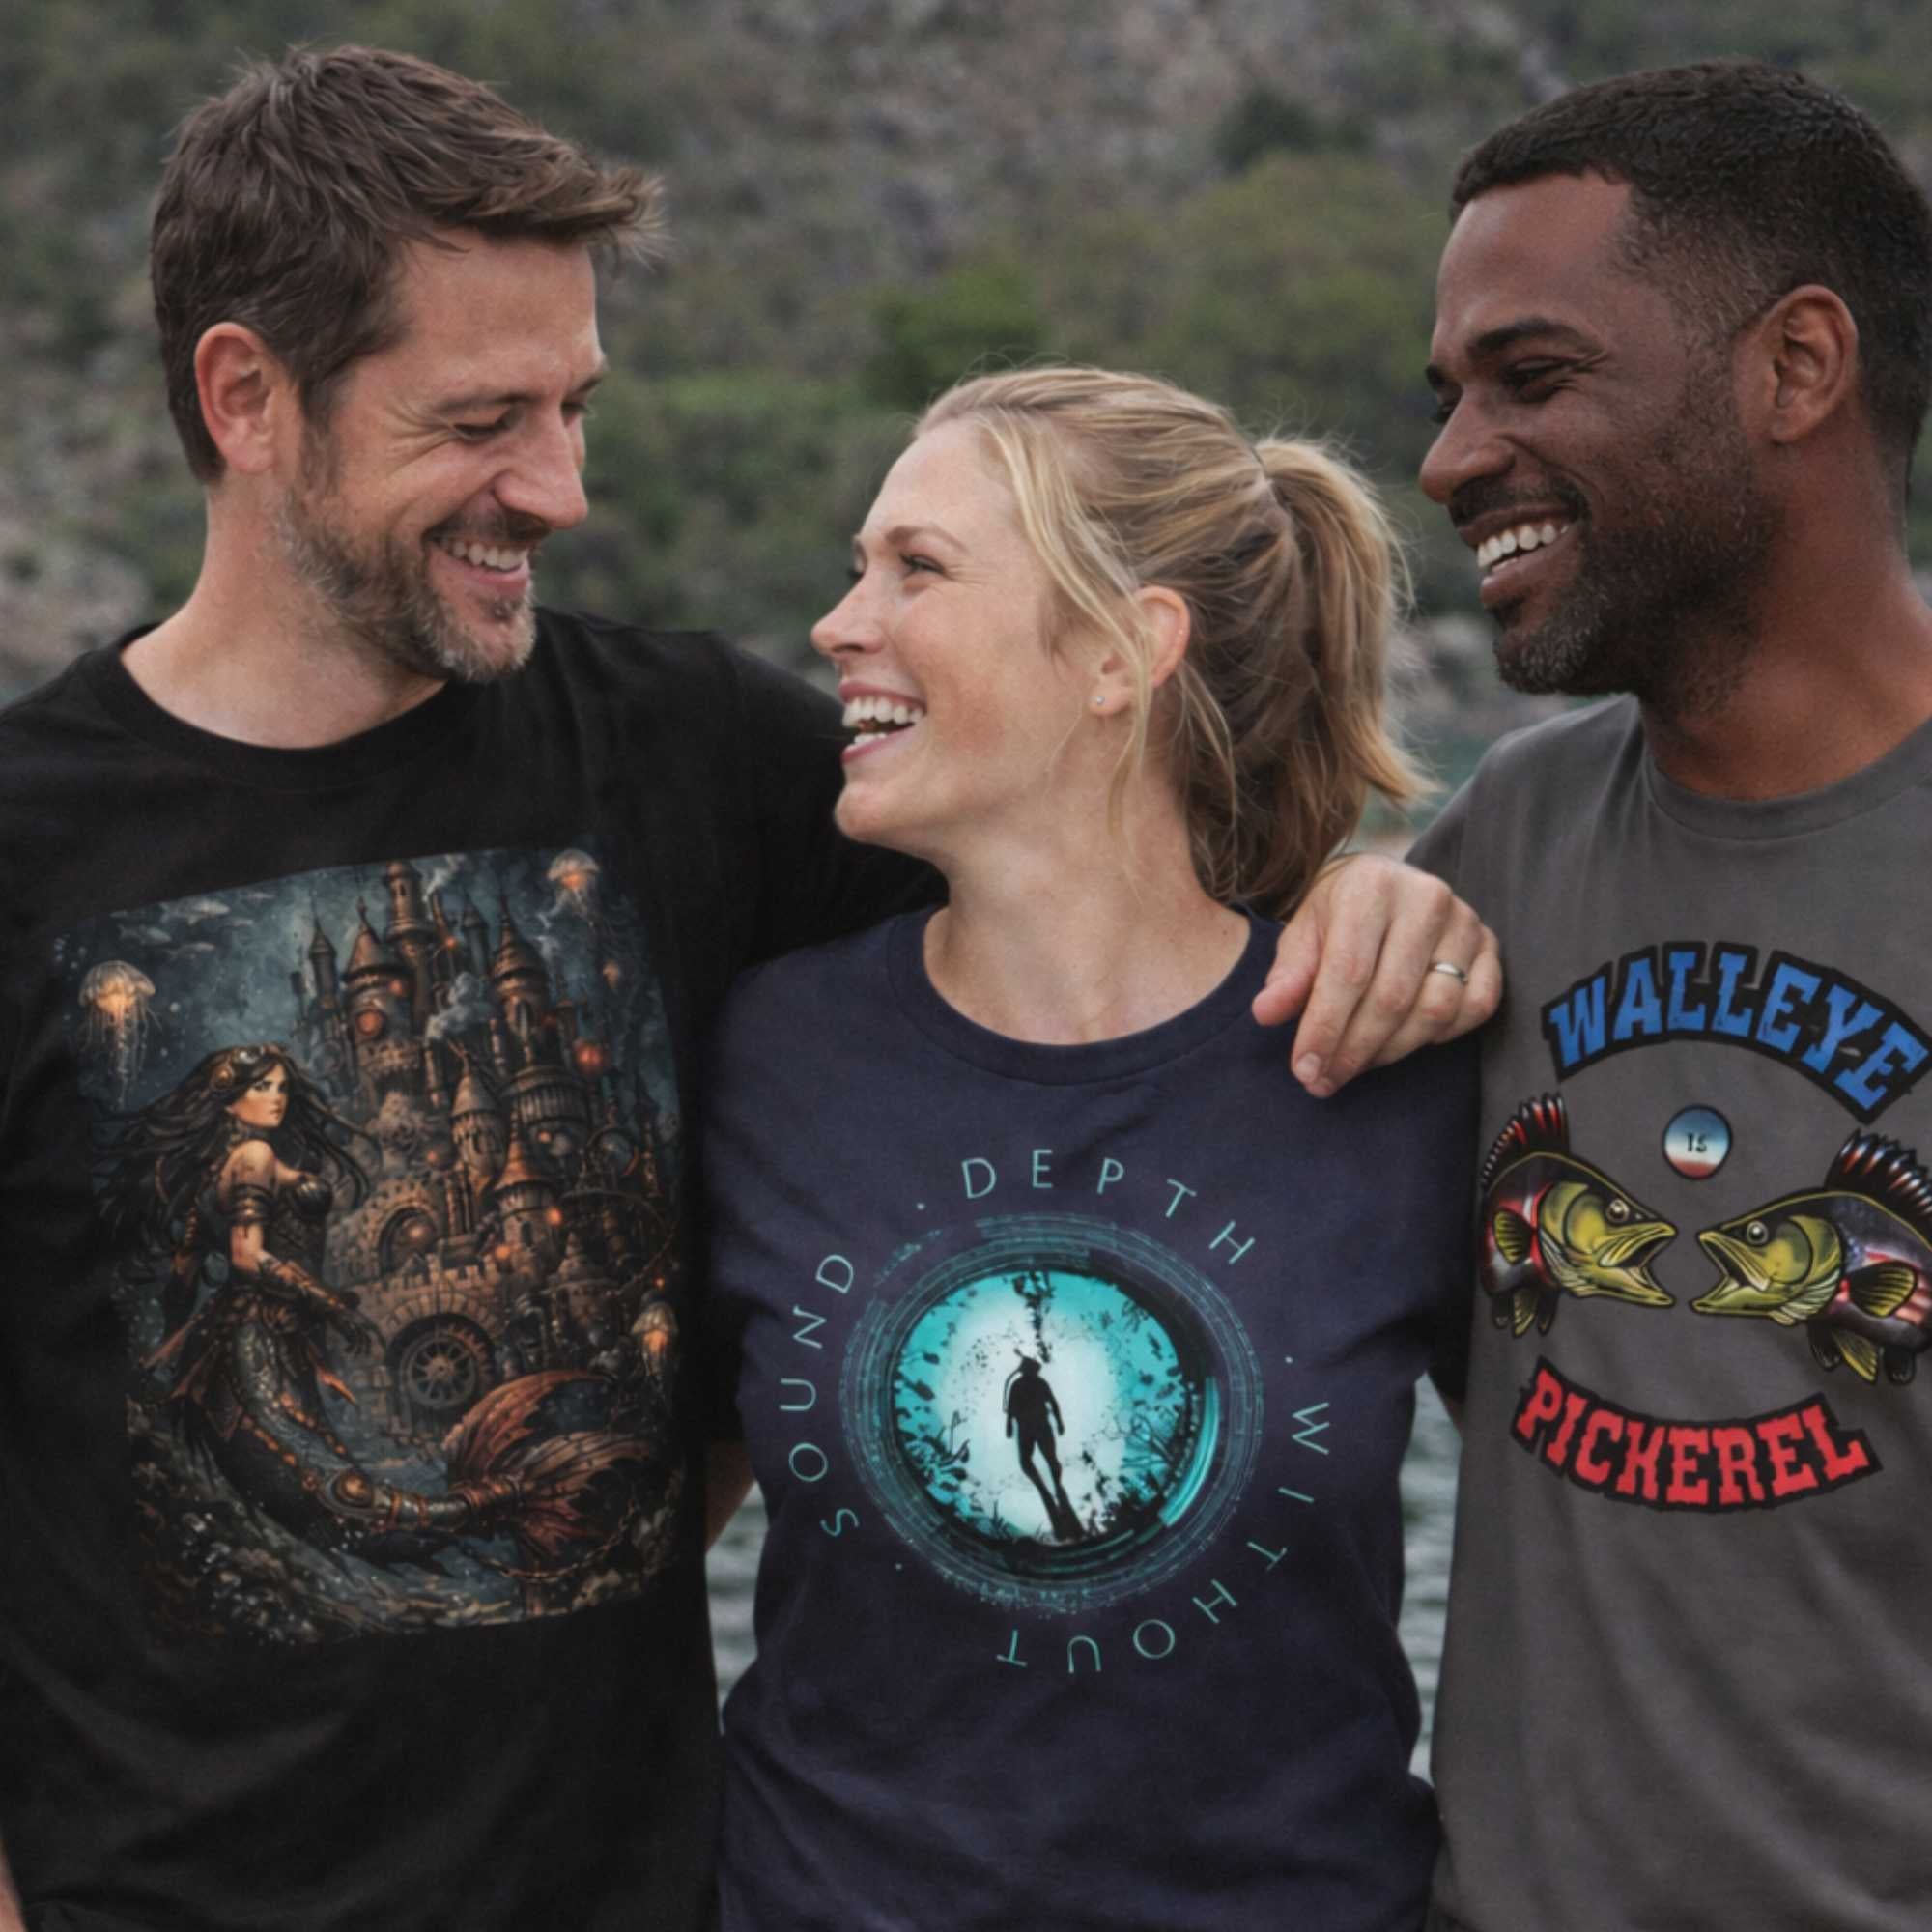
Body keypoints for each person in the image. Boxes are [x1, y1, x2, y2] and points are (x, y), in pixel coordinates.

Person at [0, 42, 1495, 1932]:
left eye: (575, 405)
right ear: (249, 397)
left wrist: (1381, 903)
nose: (555, 486)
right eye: (482, 418)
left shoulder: (696, 760)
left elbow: (1092, 873)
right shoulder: (30, 846)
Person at [701, 365, 1480, 1930]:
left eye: (916, 568)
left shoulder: (1389, 1063)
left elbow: (1597, 1577)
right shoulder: (761, 1052)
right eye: (861, 566)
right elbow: (628, 1548)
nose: (840, 623)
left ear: (1124, 650)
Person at [1409, 60, 1932, 1932]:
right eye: (1450, 395)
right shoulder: (1499, 849)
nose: (1452, 458)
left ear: (1798, 369)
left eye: (1530, 378)